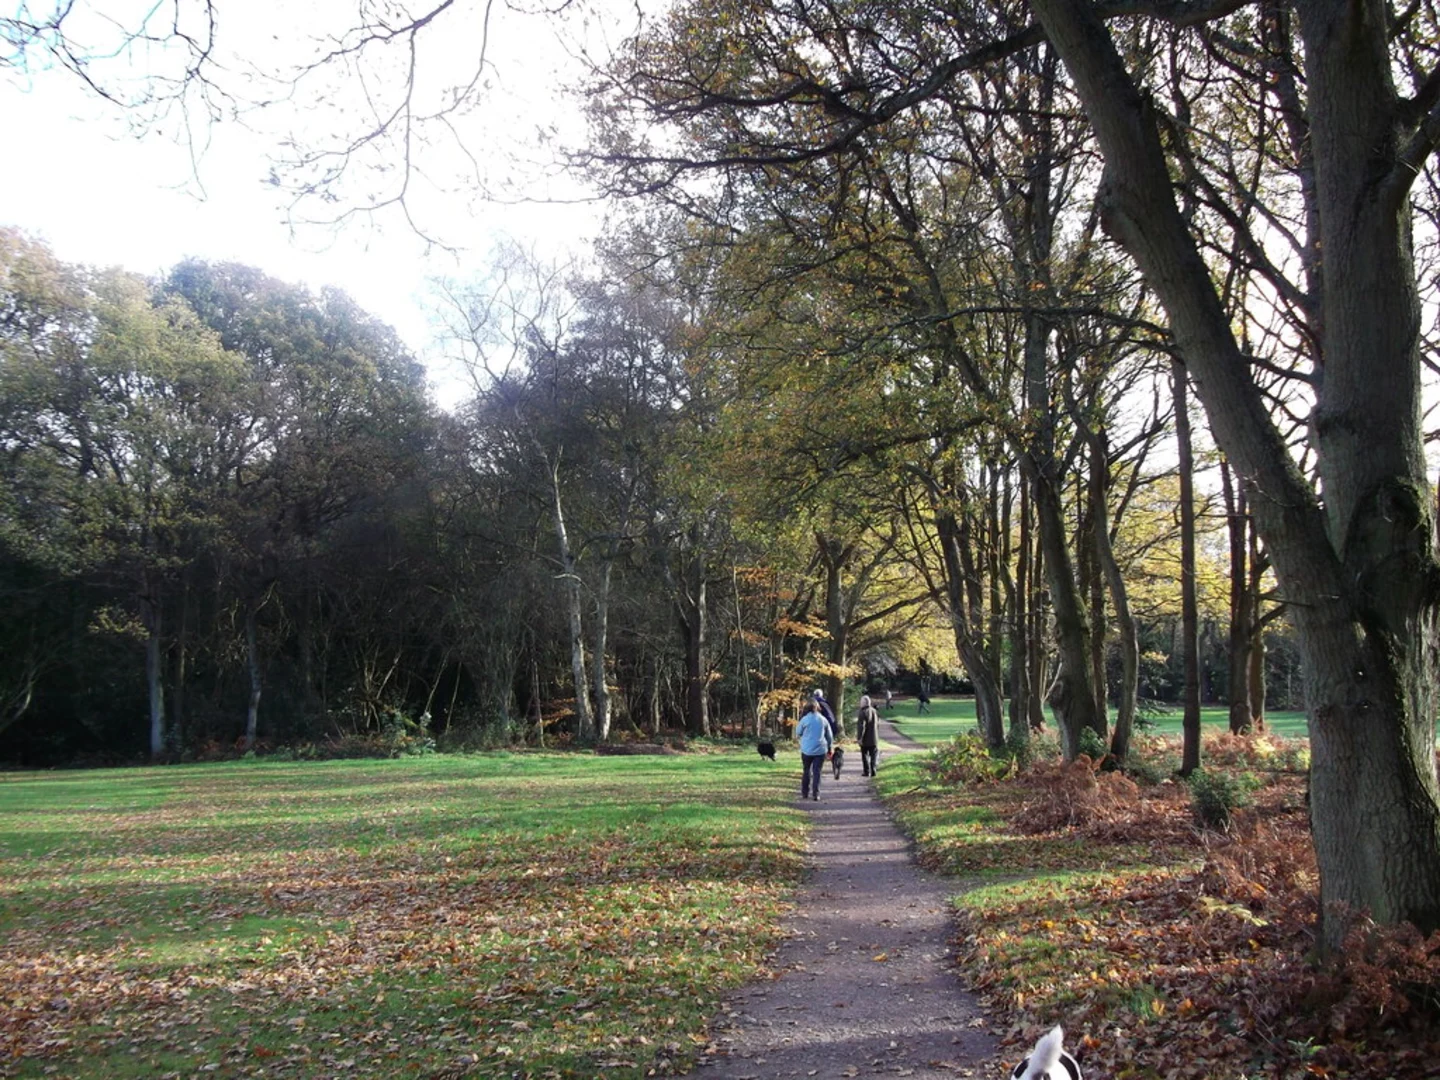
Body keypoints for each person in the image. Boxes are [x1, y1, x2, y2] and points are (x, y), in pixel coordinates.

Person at [795, 697, 834, 801]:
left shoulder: (804, 719)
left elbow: (798, 732)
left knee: (806, 770)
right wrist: (830, 748)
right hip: (820, 750)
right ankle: (816, 794)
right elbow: (829, 736)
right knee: (817, 771)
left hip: (806, 750)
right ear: (817, 708)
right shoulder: (823, 719)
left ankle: (804, 792)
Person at [855, 694, 880, 777]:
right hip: (874, 737)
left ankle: (866, 771)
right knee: (873, 754)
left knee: (864, 754)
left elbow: (861, 726)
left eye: (861, 701)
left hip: (865, 738)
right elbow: (877, 724)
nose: (860, 703)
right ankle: (873, 770)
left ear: (864, 703)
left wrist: (859, 738)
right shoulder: (874, 711)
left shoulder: (862, 712)